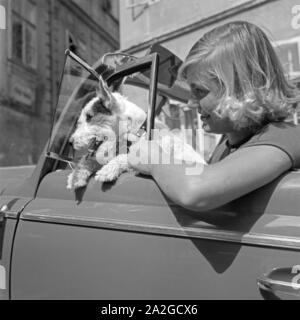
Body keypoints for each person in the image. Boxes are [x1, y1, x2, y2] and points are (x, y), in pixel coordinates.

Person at [128, 21, 300, 212]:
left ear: (241, 90)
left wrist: (153, 159)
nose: (191, 103)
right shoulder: (229, 142)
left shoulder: (285, 137)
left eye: (200, 91)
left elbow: (196, 192)